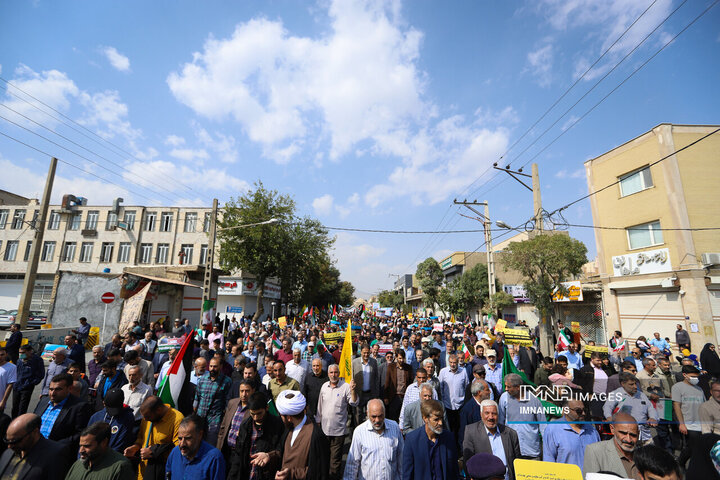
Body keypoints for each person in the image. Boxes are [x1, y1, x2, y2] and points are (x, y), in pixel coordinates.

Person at [124, 396, 183, 480]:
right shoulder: (147, 417)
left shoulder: (177, 419)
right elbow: (141, 437)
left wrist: (153, 453)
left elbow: (178, 450)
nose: (145, 419)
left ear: (158, 410)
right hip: (142, 471)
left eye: (147, 417)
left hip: (159, 473)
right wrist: (135, 447)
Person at [227, 391, 283, 480]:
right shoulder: (245, 426)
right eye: (253, 414)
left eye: (259, 413)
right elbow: (238, 455)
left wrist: (269, 455)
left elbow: (281, 451)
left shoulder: (278, 425)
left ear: (267, 408)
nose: (256, 417)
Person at [274, 390, 330, 480]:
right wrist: (269, 456)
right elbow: (281, 451)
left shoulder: (316, 436)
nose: (281, 418)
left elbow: (318, 471)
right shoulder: (288, 429)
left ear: (289, 418)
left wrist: (291, 474)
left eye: (281, 415)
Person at [343, 398, 403, 480]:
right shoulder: (360, 432)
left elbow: (401, 458)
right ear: (367, 414)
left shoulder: (394, 427)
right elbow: (352, 464)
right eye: (373, 417)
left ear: (385, 413)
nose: (377, 420)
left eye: (380, 416)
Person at [316, 364, 358, 479]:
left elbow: (354, 403)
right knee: (324, 458)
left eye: (335, 372)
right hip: (324, 429)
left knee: (335, 461)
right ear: (328, 374)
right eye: (331, 373)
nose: (333, 375)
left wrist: (353, 390)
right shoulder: (324, 386)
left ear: (339, 374)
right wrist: (318, 421)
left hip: (338, 431)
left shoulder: (345, 386)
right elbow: (320, 406)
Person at [33, 372, 91, 454]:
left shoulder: (80, 406)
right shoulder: (43, 401)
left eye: (58, 389)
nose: (52, 393)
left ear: (69, 389)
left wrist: (57, 446)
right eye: (51, 389)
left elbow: (81, 433)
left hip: (56, 452)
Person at [462, 399, 521, 479]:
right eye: (487, 413)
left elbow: (517, 463)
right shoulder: (471, 432)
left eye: (494, 413)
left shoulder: (510, 434)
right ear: (481, 414)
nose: (491, 417)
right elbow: (468, 463)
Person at [402, 399, 459, 480]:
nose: (440, 423)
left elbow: (454, 471)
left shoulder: (449, 438)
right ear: (425, 418)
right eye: (436, 419)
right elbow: (407, 474)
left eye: (441, 418)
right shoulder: (412, 440)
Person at [542, 397, 600, 473]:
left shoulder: (592, 430)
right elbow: (548, 462)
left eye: (584, 410)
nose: (583, 413)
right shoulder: (553, 429)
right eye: (578, 411)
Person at [498, 373, 545, 460]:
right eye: (505, 386)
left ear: (518, 387)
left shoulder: (534, 400)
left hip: (531, 449)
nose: (506, 389)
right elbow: (501, 421)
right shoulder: (504, 398)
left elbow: (543, 425)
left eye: (509, 387)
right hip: (511, 449)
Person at [603, 371, 657, 444]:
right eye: (631, 384)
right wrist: (609, 417)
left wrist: (653, 417)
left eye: (635, 383)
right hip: (627, 433)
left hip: (644, 432)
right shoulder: (616, 394)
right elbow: (607, 406)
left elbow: (650, 408)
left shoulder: (641, 395)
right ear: (623, 384)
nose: (635, 386)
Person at [165, 415, 226, 480]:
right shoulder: (175, 453)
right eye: (180, 438)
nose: (182, 444)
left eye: (188, 438)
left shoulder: (214, 458)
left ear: (200, 435)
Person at [583, 412, 639, 478]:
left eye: (633, 435)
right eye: (623, 433)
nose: (628, 440)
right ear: (612, 429)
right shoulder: (595, 452)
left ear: (638, 433)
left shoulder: (643, 454)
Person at [673, 364, 705, 467]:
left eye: (697, 377)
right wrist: (681, 424)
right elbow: (677, 405)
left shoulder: (699, 389)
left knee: (697, 447)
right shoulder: (677, 387)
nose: (695, 379)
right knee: (692, 446)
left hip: (701, 423)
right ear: (684, 375)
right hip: (688, 423)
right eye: (693, 376)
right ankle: (681, 463)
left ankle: (690, 466)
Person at [194, 357, 232, 445]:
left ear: (220, 367)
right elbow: (197, 397)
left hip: (215, 420)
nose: (212, 369)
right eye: (210, 366)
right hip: (200, 418)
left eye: (215, 366)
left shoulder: (227, 381)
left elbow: (228, 401)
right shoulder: (202, 379)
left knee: (210, 445)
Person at [88, 388, 136, 453]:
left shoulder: (127, 417)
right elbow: (86, 439)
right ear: (104, 403)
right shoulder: (96, 417)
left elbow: (120, 444)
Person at [217, 379, 255, 455]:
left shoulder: (254, 408)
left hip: (240, 452)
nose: (244, 394)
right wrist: (218, 447)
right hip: (225, 449)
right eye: (242, 391)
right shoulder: (232, 403)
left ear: (253, 391)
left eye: (247, 391)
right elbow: (223, 427)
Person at [438, 353, 469, 441]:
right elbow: (440, 388)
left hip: (460, 406)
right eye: (451, 362)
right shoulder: (443, 372)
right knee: (448, 428)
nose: (452, 364)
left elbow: (466, 387)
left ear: (458, 362)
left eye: (454, 362)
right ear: (448, 362)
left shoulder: (463, 371)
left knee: (459, 428)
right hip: (447, 406)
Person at [352, 344, 379, 425]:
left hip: (370, 393)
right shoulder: (354, 362)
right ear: (361, 352)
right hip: (358, 394)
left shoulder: (373, 362)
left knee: (370, 414)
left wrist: (376, 394)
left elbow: (376, 378)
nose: (366, 355)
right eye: (364, 353)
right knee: (358, 415)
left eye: (367, 353)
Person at [459, 379, 492, 446]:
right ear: (479, 392)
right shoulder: (467, 410)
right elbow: (463, 434)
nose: (490, 392)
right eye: (487, 390)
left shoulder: (489, 405)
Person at [384, 349, 412, 422]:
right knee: (393, 417)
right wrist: (386, 397)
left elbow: (410, 382)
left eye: (403, 358)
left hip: (404, 397)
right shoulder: (391, 367)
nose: (401, 360)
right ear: (396, 357)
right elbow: (387, 382)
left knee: (404, 417)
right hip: (394, 396)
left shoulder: (408, 368)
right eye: (400, 358)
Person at [0, 347, 16, 414]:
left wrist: (3, 401)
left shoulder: (11, 367)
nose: (0, 357)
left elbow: (10, 385)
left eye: (2, 354)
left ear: (6, 355)